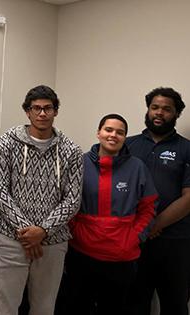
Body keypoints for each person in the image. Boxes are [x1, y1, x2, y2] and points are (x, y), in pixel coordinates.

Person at [0, 85, 83, 315]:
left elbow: (73, 199)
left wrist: (42, 230)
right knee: (3, 307)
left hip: (52, 244)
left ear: (55, 111)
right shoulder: (7, 142)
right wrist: (27, 232)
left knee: (44, 307)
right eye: (36, 108)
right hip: (11, 240)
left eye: (48, 108)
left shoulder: (71, 151)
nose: (42, 114)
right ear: (28, 111)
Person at [65, 114, 157, 315]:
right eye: (108, 130)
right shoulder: (79, 164)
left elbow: (149, 208)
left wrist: (134, 237)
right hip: (82, 253)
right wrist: (77, 231)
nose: (113, 135)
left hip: (122, 257)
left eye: (120, 132)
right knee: (77, 307)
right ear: (98, 133)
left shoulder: (138, 168)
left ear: (125, 137)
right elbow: (66, 203)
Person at [126, 87, 190, 315]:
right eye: (155, 107)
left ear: (176, 114)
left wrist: (154, 225)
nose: (159, 113)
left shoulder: (188, 149)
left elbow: (189, 198)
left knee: (175, 305)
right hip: (134, 240)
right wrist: (142, 228)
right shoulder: (127, 146)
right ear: (147, 110)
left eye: (166, 109)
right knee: (134, 303)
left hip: (176, 242)